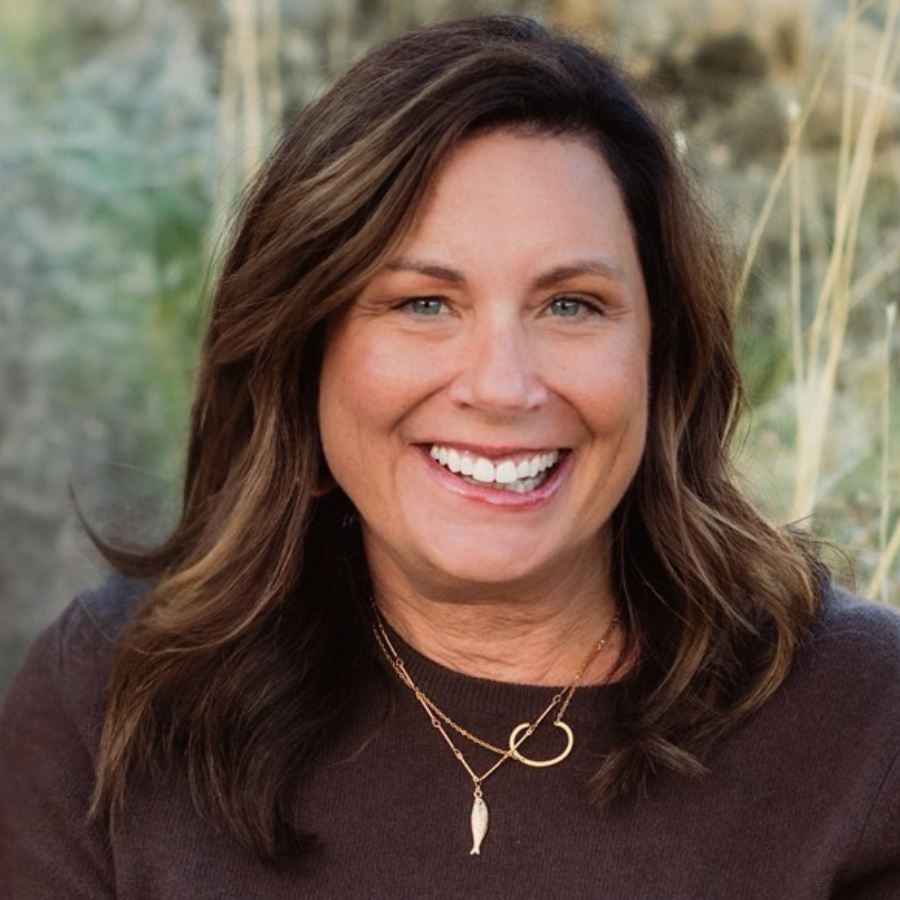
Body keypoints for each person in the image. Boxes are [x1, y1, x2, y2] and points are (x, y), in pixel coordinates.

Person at [2, 14, 899, 899]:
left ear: (662, 362)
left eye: (572, 305)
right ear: (302, 354)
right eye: (423, 303)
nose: (503, 386)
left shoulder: (863, 729)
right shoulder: (112, 700)